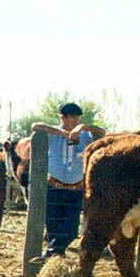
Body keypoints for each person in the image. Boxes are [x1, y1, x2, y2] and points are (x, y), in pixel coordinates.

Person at [30, 103, 106, 258]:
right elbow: (35, 125)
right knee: (53, 228)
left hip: (75, 190)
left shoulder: (85, 136)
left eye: (77, 117)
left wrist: (83, 128)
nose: (75, 120)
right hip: (54, 188)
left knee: (71, 230)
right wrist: (64, 134)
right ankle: (56, 258)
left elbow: (102, 131)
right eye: (71, 116)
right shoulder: (53, 133)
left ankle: (51, 253)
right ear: (62, 117)